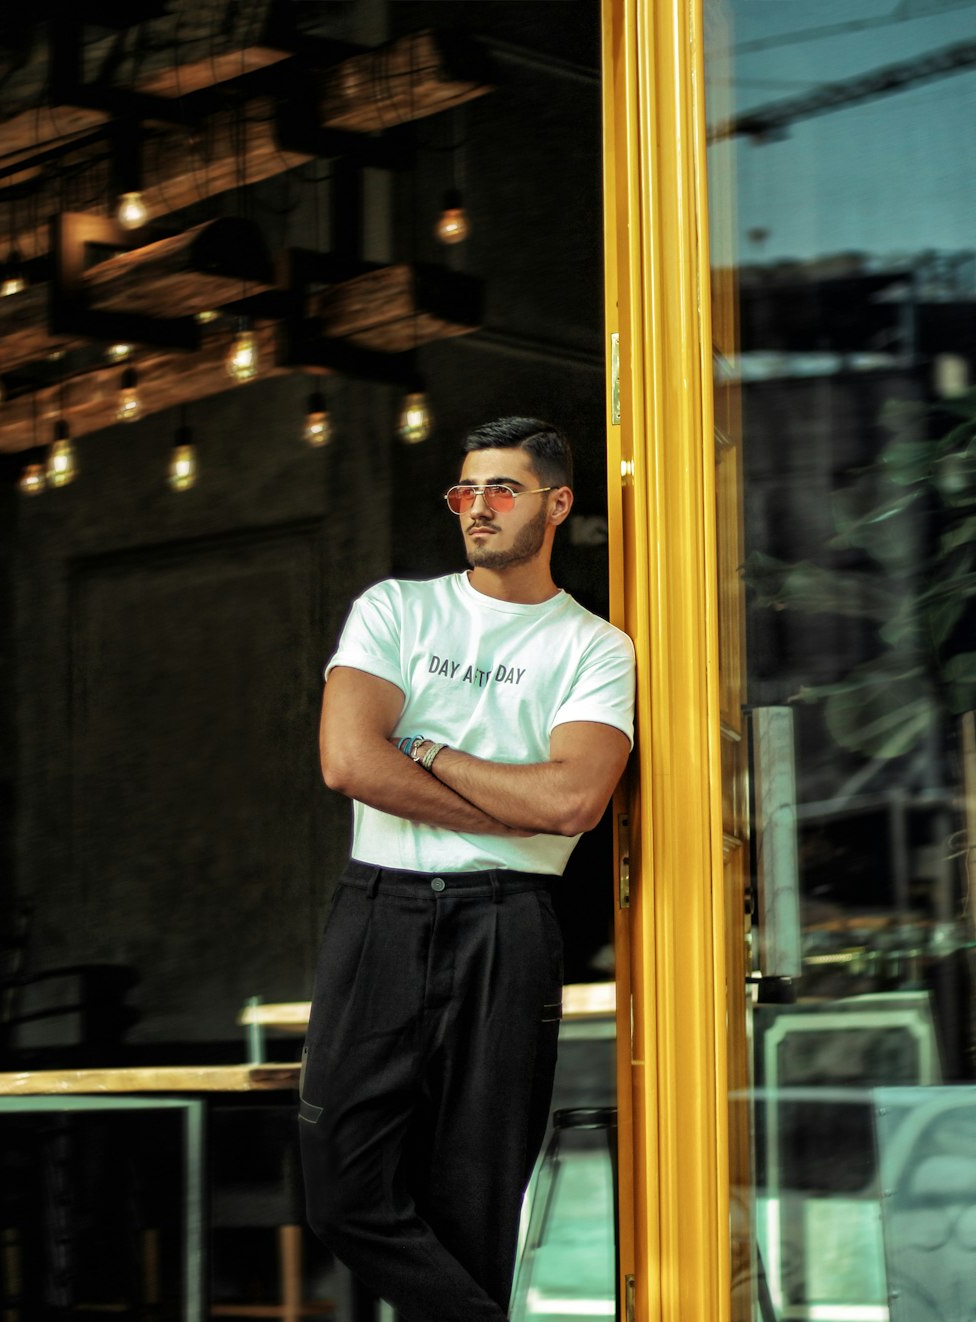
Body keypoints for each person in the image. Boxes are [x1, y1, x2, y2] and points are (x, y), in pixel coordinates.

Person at [298, 417, 635, 1322]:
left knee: (475, 1206)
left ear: (557, 504)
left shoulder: (595, 648)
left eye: (502, 490)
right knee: (342, 1191)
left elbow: (571, 804)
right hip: (380, 911)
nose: (476, 509)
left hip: (508, 922)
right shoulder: (396, 610)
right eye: (463, 492)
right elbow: (349, 763)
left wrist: (432, 752)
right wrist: (504, 812)